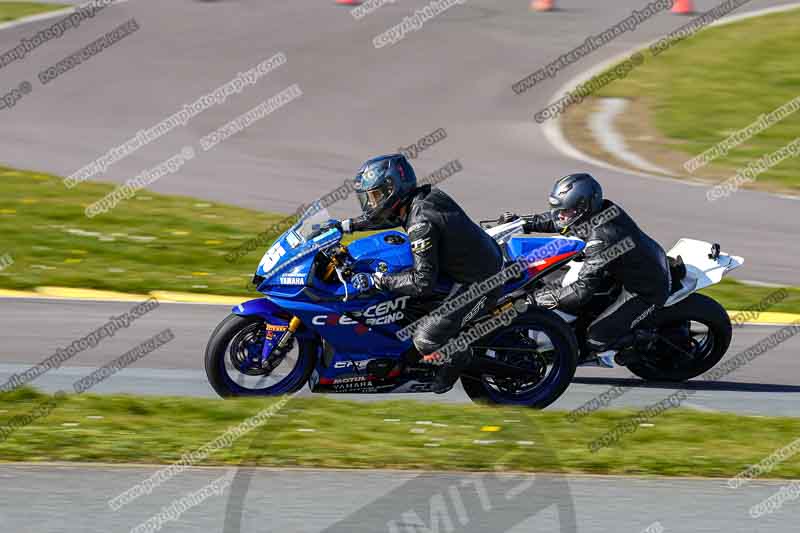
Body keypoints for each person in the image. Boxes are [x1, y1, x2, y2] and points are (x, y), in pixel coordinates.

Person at [331, 154, 505, 392]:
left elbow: (423, 283)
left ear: (392, 190)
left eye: (375, 196)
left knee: (426, 339)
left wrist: (379, 280)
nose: (371, 203)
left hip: (480, 280)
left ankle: (459, 358)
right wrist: (346, 226)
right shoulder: (417, 200)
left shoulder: (421, 222)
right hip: (466, 263)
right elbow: (386, 216)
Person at [500, 173, 671, 367]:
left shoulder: (603, 237)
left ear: (583, 208)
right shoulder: (596, 211)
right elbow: (557, 220)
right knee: (548, 279)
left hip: (645, 289)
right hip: (624, 269)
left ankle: (643, 340)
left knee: (596, 338)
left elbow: (582, 291)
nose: (561, 216)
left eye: (567, 211)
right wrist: (523, 223)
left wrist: (534, 301)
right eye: (559, 210)